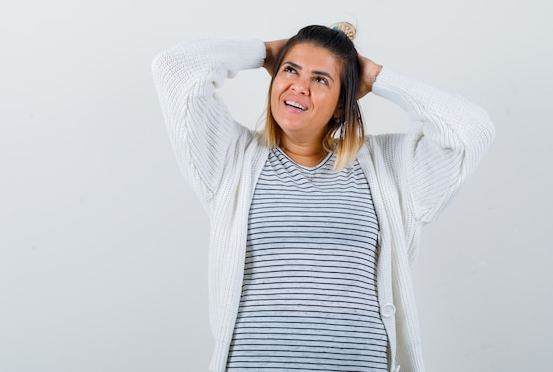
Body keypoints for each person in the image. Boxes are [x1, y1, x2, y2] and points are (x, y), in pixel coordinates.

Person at [151, 23, 495, 372]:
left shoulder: (391, 168)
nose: (299, 86)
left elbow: (471, 130)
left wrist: (376, 77)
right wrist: (267, 52)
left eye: (320, 79)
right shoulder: (231, 159)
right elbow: (174, 67)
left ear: (342, 105)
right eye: (290, 70)